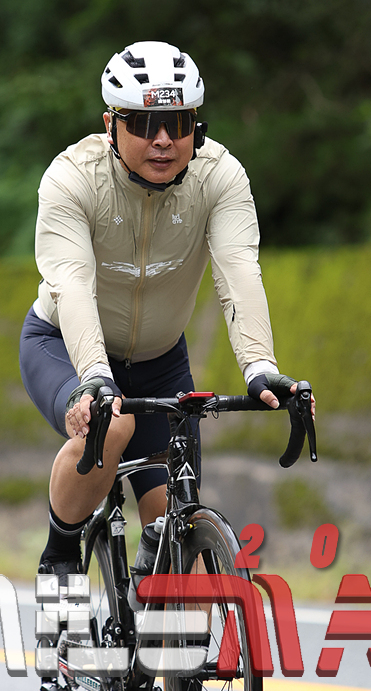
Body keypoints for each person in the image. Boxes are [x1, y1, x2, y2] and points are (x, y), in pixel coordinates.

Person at [18, 40, 314, 594]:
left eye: (177, 124)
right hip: (63, 347)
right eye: (143, 123)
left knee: (180, 540)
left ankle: (168, 636)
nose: (162, 140)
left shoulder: (220, 176)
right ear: (111, 125)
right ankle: (60, 554)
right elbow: (72, 285)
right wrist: (95, 379)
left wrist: (261, 367)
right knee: (112, 426)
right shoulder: (71, 178)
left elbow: (239, 272)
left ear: (194, 127)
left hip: (160, 362)